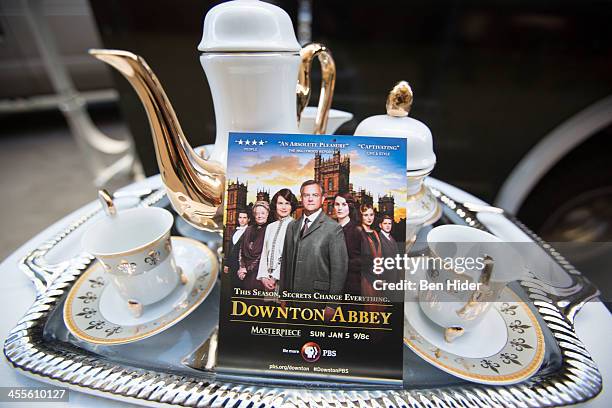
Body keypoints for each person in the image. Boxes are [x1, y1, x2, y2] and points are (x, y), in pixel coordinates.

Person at [281, 180, 348, 294]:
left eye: (315, 195)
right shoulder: (292, 226)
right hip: (291, 299)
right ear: (301, 198)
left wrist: (332, 305)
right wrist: (283, 295)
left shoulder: (333, 228)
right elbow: (285, 264)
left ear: (322, 199)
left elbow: (339, 271)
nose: (310, 199)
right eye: (306, 195)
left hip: (317, 299)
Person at [257, 189, 298, 292]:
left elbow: (292, 255)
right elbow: (264, 253)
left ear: (292, 206)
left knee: (284, 307)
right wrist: (263, 277)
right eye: (280, 203)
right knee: (268, 307)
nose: (283, 207)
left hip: (285, 278)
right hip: (268, 280)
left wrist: (275, 277)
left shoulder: (296, 226)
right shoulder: (270, 227)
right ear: (275, 205)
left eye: (287, 203)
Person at [334, 193, 362, 295]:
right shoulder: (331, 229)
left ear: (350, 206)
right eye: (337, 204)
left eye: (343, 204)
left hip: (351, 288)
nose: (339, 208)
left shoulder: (357, 230)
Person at [237, 201, 269, 290]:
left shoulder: (270, 230)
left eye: (263, 213)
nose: (259, 216)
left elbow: (263, 254)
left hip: (260, 274)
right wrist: (241, 267)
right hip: (244, 274)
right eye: (257, 213)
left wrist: (247, 269)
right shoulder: (248, 229)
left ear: (267, 214)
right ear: (254, 215)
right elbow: (241, 250)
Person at [359, 203, 382, 297]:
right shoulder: (359, 232)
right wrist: (373, 279)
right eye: (366, 215)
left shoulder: (375, 233)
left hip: (378, 274)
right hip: (366, 278)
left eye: (371, 215)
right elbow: (360, 261)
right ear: (361, 216)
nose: (369, 218)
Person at [223, 208, 249, 288]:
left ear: (248, 219)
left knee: (242, 287)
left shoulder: (250, 232)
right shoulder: (234, 231)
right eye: (240, 217)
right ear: (238, 219)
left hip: (242, 265)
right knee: (232, 286)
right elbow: (230, 248)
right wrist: (227, 264)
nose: (242, 220)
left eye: (244, 218)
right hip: (233, 264)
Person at [379, 214, 401, 284]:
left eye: (389, 223)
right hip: (384, 279)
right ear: (380, 225)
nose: (388, 225)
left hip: (394, 278)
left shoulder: (392, 239)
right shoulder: (377, 239)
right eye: (385, 223)